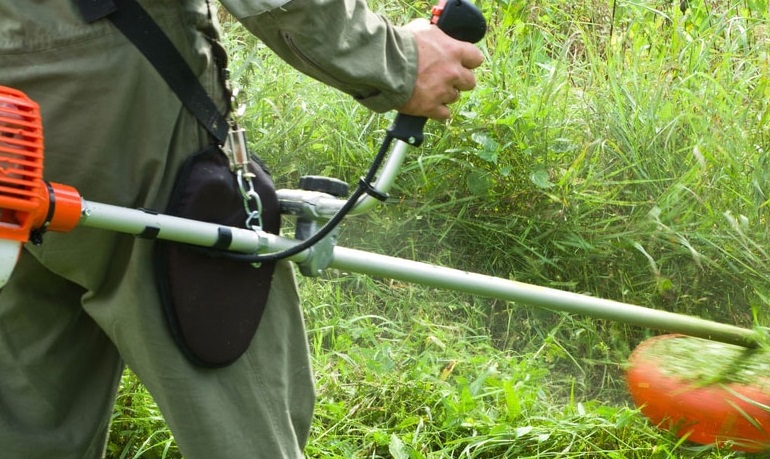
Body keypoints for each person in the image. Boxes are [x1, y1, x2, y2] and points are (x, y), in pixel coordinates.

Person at [0, 0, 484, 457]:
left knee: (28, 411)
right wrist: (398, 62)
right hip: (118, 97)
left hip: (13, 112)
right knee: (243, 410)